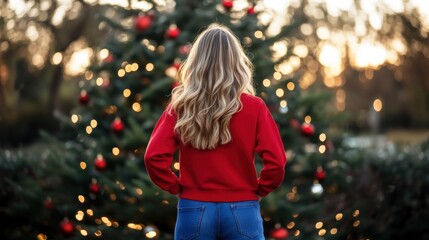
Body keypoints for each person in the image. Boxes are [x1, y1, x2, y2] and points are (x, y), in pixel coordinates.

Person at [144, 23, 286, 240]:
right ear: (237, 62)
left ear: (197, 62)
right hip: (243, 208)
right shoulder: (254, 107)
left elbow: (153, 157)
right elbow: (276, 162)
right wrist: (259, 189)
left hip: (194, 208)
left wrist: (178, 188)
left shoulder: (181, 106)